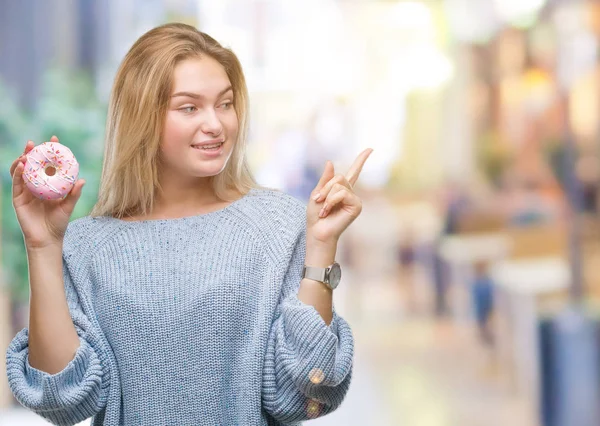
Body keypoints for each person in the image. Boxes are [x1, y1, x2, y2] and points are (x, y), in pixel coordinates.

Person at [6, 23, 373, 426]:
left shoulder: (278, 225)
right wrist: (42, 246)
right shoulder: (89, 245)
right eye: (189, 107)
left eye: (226, 103)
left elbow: (306, 393)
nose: (216, 124)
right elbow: (62, 400)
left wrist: (320, 248)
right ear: (142, 116)